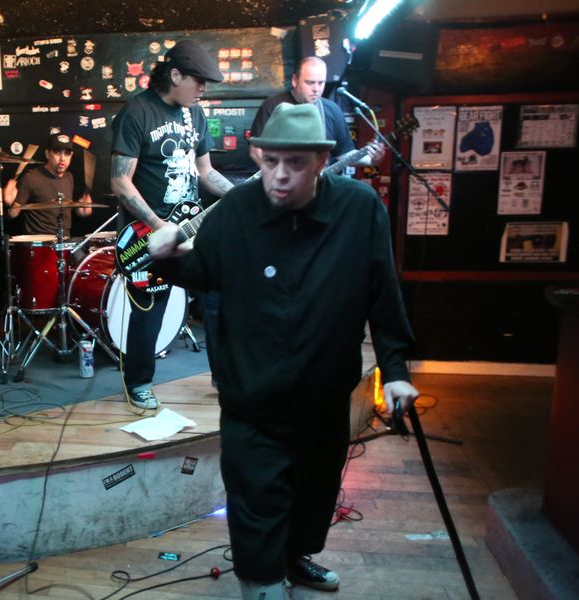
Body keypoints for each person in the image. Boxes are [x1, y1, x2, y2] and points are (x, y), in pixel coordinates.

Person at [146, 102, 420, 599]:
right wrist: (166, 257)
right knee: (255, 496)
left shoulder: (359, 210)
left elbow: (383, 291)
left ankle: (294, 559)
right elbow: (203, 273)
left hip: (323, 393)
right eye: (271, 161)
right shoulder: (237, 210)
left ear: (321, 160)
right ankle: (262, 580)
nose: (280, 175)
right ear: (258, 155)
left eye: (295, 163)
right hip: (252, 394)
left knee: (313, 494)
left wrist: (396, 368)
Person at [110, 40, 234, 410]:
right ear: (175, 75)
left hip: (192, 229)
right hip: (147, 235)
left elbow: (205, 171)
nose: (203, 89)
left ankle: (224, 377)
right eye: (199, 81)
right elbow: (120, 181)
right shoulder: (137, 112)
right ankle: (139, 383)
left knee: (219, 297)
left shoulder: (195, 114)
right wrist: (158, 223)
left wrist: (239, 194)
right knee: (149, 309)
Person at [250, 56, 385, 167]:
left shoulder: (332, 110)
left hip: (319, 187)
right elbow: (256, 150)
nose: (316, 89)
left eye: (321, 83)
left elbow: (344, 153)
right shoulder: (273, 105)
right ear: (295, 81)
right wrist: (277, 176)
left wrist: (371, 160)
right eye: (310, 82)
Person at [2, 132, 92, 238]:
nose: (62, 158)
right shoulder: (31, 178)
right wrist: (9, 203)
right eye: (57, 152)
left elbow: (63, 209)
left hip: (65, 241)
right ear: (47, 154)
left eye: (67, 153)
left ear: (71, 155)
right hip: (39, 243)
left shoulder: (69, 177)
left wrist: (80, 211)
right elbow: (12, 214)